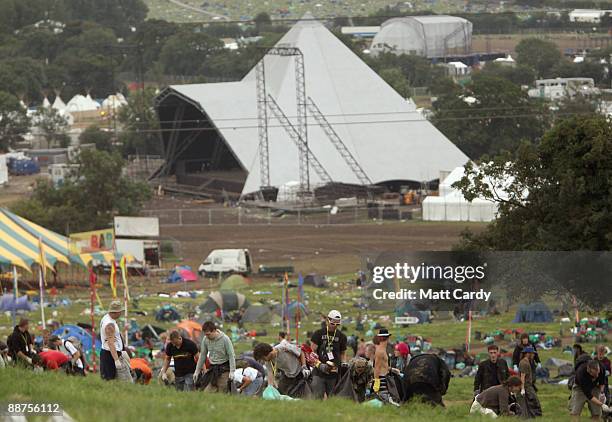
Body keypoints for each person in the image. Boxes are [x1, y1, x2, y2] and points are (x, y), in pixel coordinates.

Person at [310, 310, 347, 399]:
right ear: (328, 320)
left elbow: (343, 353)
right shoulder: (318, 333)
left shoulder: (342, 336)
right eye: (333, 323)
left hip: (334, 372)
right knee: (317, 397)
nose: (335, 326)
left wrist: (344, 363)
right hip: (319, 371)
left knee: (333, 397)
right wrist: (318, 364)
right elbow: (312, 352)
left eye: (337, 324)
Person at [194, 321, 236, 393]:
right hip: (213, 369)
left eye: (208, 334)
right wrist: (197, 371)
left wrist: (232, 371)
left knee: (222, 392)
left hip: (224, 369)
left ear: (214, 331)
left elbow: (231, 355)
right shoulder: (205, 339)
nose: (207, 336)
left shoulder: (225, 339)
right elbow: (202, 356)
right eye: (205, 334)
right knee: (206, 392)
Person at [100, 300, 132, 382]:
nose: (121, 313)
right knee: (112, 380)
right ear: (116, 312)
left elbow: (115, 336)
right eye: (120, 312)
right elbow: (111, 343)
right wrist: (116, 360)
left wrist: (124, 330)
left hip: (112, 353)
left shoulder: (107, 318)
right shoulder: (109, 324)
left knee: (115, 380)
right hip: (111, 354)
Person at [518, 346, 542, 418]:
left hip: (529, 385)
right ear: (528, 354)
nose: (534, 355)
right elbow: (522, 377)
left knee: (531, 402)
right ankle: (535, 416)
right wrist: (522, 388)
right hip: (526, 386)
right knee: (534, 401)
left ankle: (533, 416)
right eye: (532, 353)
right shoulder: (524, 363)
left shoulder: (527, 362)